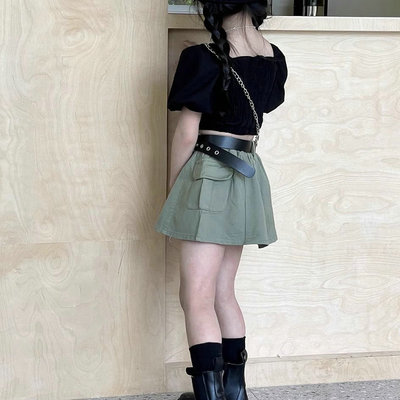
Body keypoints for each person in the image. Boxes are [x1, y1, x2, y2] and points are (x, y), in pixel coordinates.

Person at [155, 1, 288, 399]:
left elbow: (186, 133)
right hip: (247, 176)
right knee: (223, 291)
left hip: (209, 176)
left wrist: (174, 191)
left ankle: (210, 396)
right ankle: (234, 392)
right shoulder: (273, 57)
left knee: (196, 295)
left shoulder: (202, 57)